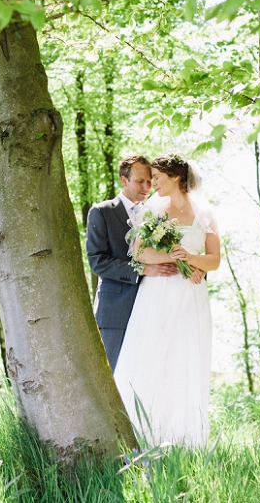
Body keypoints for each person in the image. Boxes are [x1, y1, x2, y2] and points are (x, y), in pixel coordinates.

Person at [114, 154, 220, 448]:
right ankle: (142, 435)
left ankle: (184, 438)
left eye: (158, 177)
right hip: (157, 293)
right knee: (152, 356)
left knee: (185, 359)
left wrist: (192, 260)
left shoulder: (206, 214)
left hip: (191, 298)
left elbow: (214, 260)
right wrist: (173, 259)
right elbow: (138, 253)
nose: (153, 183)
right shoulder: (153, 211)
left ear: (175, 178)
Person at [87, 155, 179, 370]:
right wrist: (142, 269)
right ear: (124, 180)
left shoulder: (159, 214)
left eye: (150, 181)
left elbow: (173, 252)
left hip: (153, 306)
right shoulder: (102, 212)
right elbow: (97, 261)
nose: (147, 187)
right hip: (115, 311)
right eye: (140, 181)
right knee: (113, 374)